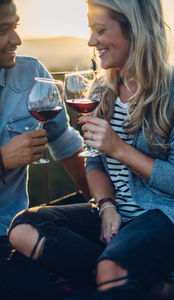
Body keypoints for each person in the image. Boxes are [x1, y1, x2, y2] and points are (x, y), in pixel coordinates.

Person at [8, 0, 174, 299]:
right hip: (118, 211)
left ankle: (118, 272)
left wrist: (120, 149)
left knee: (107, 268)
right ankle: (157, 288)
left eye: (100, 30)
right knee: (22, 228)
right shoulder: (101, 90)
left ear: (135, 30)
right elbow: (94, 162)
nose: (91, 41)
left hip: (168, 215)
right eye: (90, 31)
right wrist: (107, 205)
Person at [0, 0, 90, 299]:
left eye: (15, 26)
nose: (17, 39)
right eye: (4, 30)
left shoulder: (30, 73)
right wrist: (2, 159)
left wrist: (99, 202)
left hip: (15, 226)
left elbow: (63, 139)